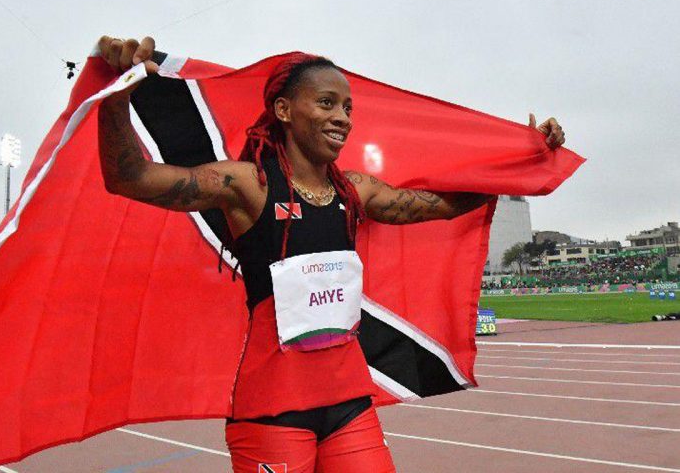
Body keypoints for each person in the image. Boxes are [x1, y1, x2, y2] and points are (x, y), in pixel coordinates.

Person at [97, 35, 566, 473]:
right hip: (271, 412)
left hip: (349, 405)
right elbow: (130, 177)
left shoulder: (354, 190)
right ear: (283, 109)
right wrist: (119, 93)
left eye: (347, 107)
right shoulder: (248, 185)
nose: (342, 117)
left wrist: (519, 161)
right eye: (326, 103)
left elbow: (443, 205)